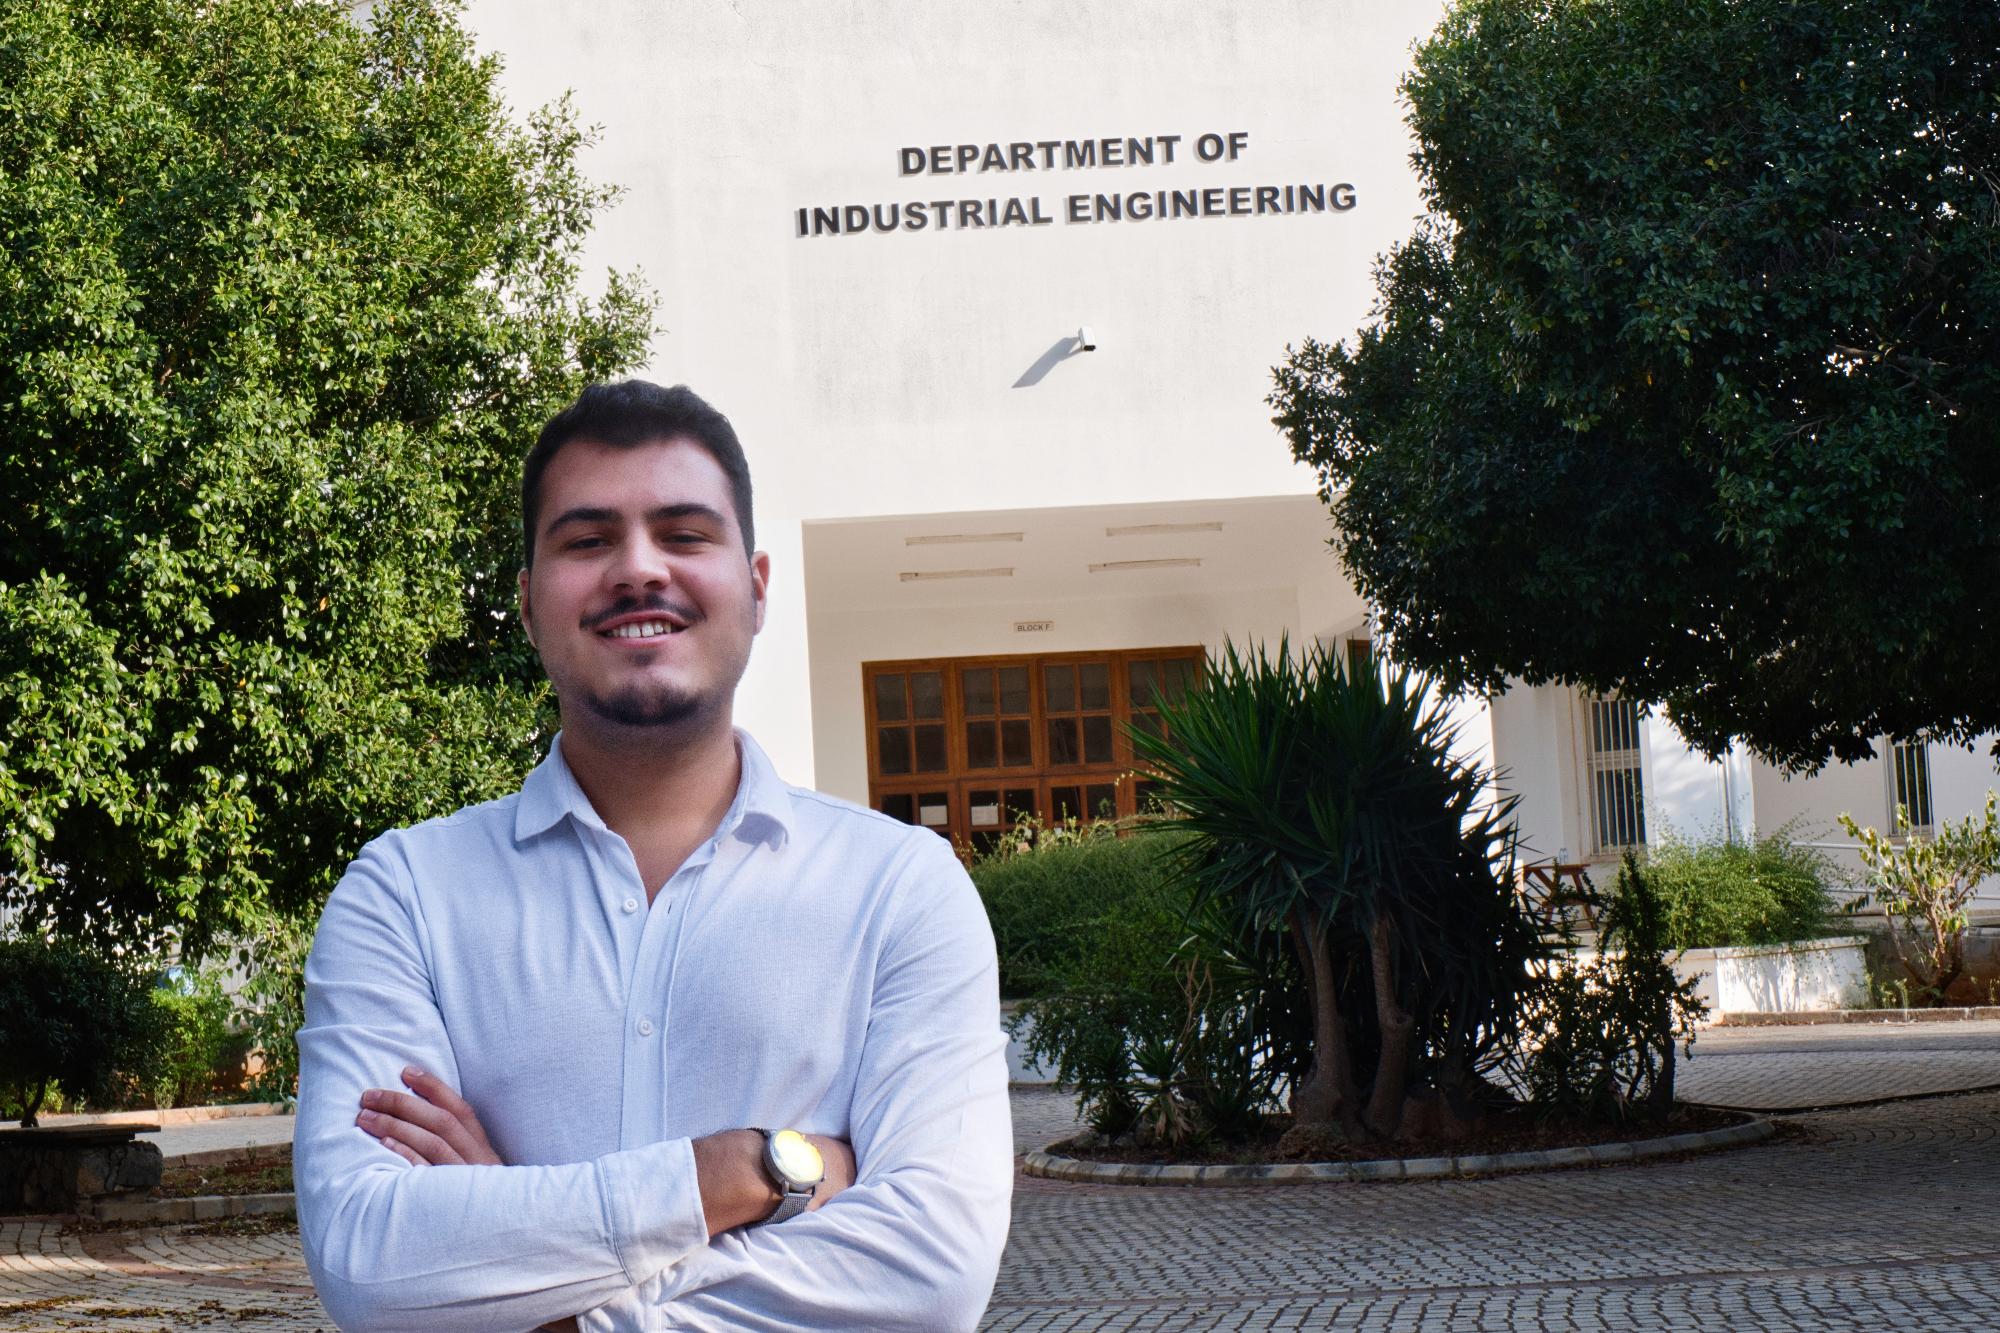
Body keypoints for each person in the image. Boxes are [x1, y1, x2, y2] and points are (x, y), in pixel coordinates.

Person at [294, 381, 1014, 1332]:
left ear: (757, 588)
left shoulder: (902, 891)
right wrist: (743, 1169)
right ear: (527, 602)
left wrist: (530, 1286)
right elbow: (369, 1256)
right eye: (588, 540)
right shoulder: (404, 897)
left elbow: (931, 1272)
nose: (638, 568)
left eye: (684, 534)